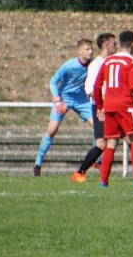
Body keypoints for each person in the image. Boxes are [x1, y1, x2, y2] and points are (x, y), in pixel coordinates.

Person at [92, 30, 133, 188]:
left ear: (119, 43)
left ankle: (103, 181)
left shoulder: (108, 61)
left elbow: (96, 85)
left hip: (109, 106)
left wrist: (100, 106)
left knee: (111, 143)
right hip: (125, 105)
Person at [33, 38, 95, 176]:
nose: (91, 52)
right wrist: (57, 99)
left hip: (81, 100)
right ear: (79, 51)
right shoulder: (69, 65)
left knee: (99, 127)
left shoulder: (93, 66)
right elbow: (53, 82)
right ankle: (37, 164)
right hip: (64, 99)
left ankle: (98, 161)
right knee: (52, 129)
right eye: (87, 49)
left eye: (92, 49)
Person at [71, 33, 117, 182]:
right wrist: (101, 105)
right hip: (100, 108)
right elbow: (90, 88)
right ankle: (79, 173)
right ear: (107, 46)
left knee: (130, 138)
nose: (116, 47)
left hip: (114, 107)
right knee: (101, 143)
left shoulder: (113, 62)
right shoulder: (96, 65)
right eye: (114, 44)